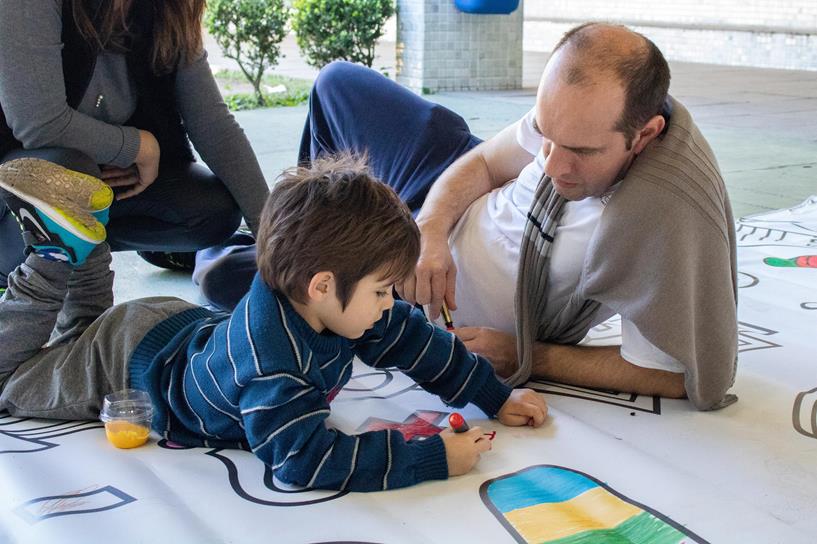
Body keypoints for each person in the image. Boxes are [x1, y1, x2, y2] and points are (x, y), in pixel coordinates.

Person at [196, 23, 738, 411]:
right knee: (337, 84)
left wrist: (528, 356)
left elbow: (670, 375)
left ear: (644, 135)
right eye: (545, 137)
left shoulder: (666, 219)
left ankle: (229, 244)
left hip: (411, 288)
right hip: (441, 197)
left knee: (229, 277)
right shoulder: (577, 117)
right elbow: (481, 163)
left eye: (580, 152)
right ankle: (318, 226)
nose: (551, 165)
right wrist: (429, 230)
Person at [0, 154, 547, 492]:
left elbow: (413, 338)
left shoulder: (335, 300)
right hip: (123, 369)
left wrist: (493, 395)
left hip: (170, 329)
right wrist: (430, 457)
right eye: (383, 290)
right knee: (10, 379)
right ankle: (52, 256)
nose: (390, 304)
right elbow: (303, 460)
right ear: (322, 285)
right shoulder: (273, 366)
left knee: (79, 330)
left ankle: (85, 238)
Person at [0, 0, 270, 294]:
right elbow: (40, 124)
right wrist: (139, 147)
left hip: (108, 179)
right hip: (18, 183)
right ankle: (26, 269)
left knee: (214, 209)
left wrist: (273, 234)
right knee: (73, 174)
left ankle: (80, 247)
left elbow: (214, 124)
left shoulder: (172, 7)